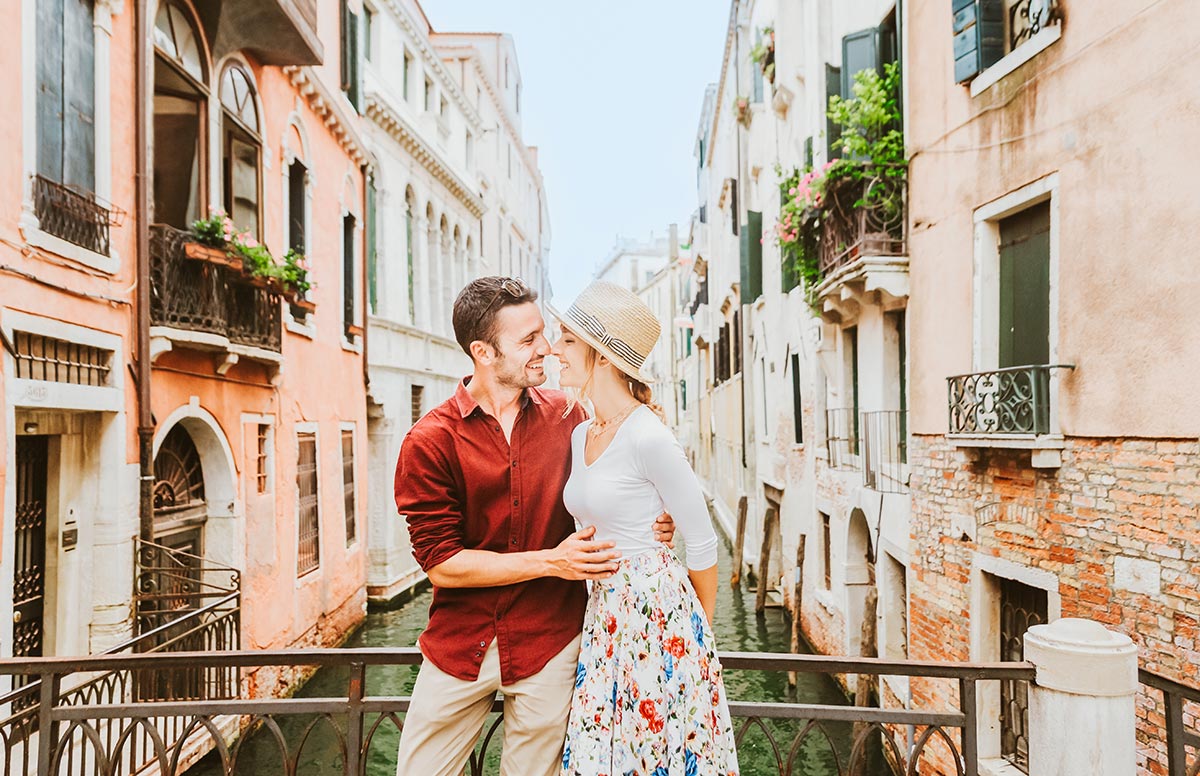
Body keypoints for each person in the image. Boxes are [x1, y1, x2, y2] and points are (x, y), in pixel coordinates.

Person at [392, 276, 674, 776]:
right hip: (461, 645)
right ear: (483, 351)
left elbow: (610, 495)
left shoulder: (572, 418)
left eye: (543, 333)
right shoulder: (429, 441)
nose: (547, 348)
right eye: (528, 340)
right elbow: (443, 566)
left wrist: (656, 521)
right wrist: (552, 561)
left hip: (551, 643)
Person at [549, 280, 739, 776]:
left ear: (604, 356)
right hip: (605, 617)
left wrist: (698, 643)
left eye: (568, 339)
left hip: (658, 617)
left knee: (654, 755)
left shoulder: (650, 437)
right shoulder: (578, 435)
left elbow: (700, 540)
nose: (555, 349)